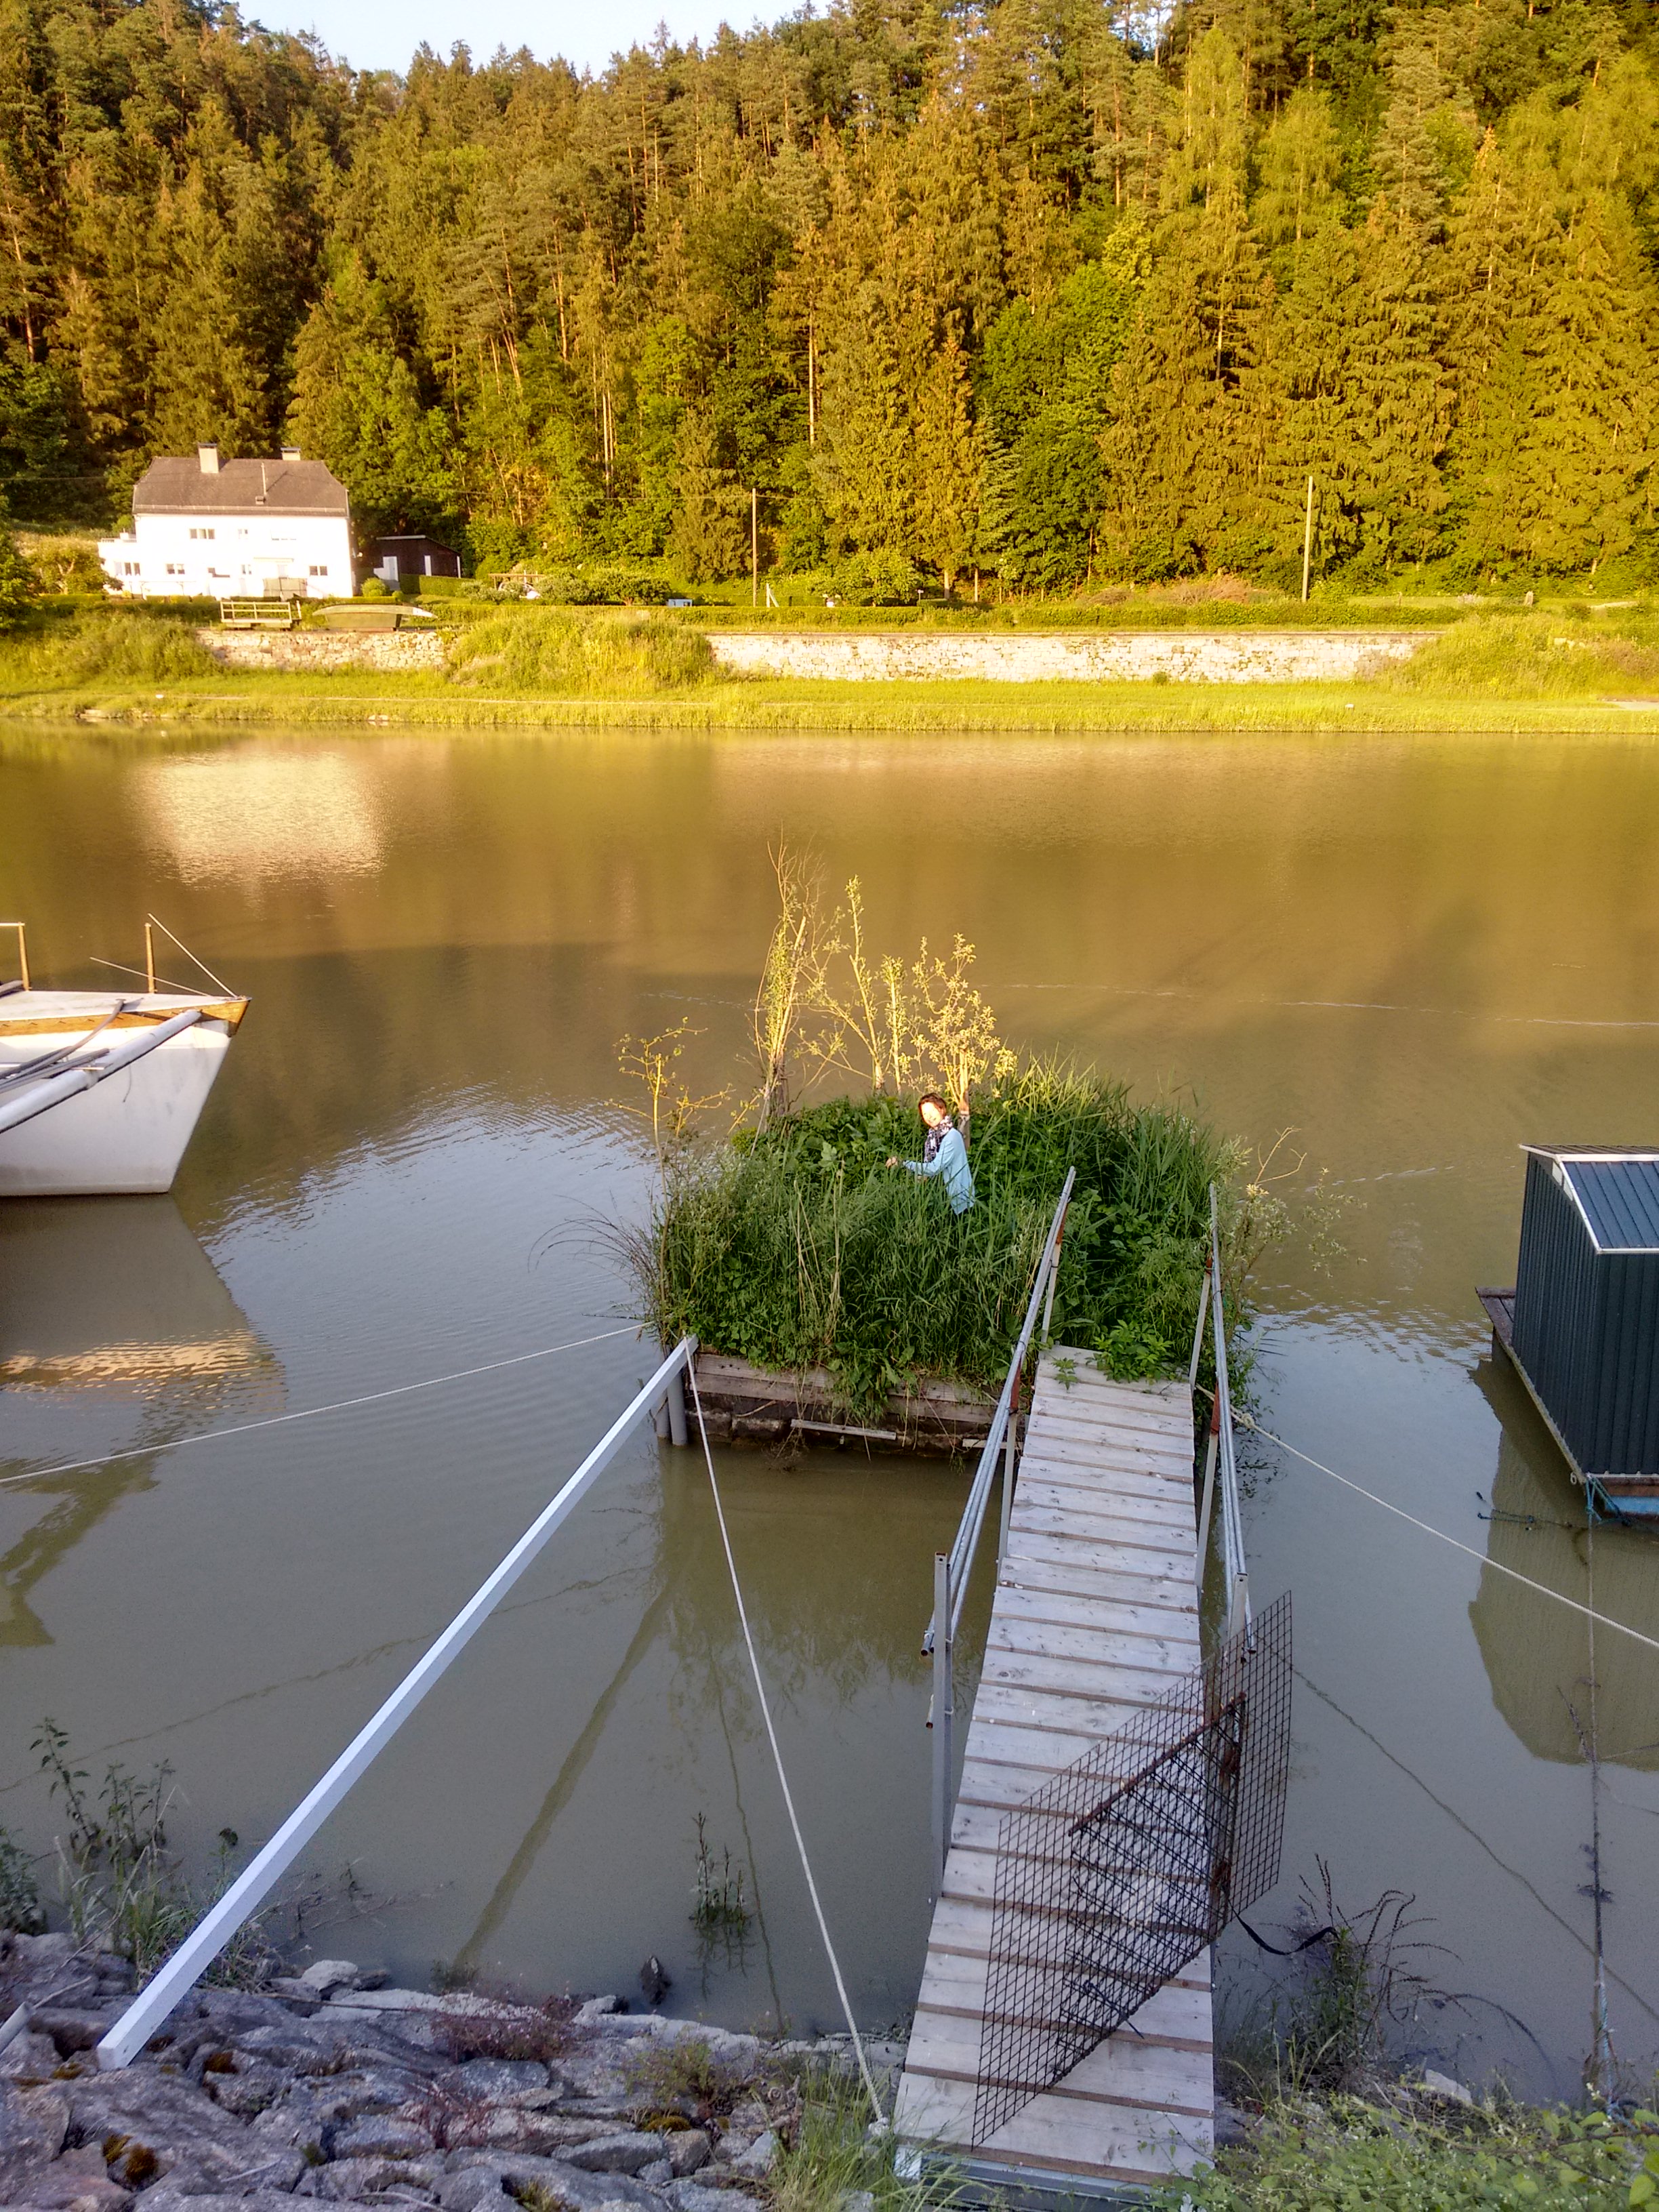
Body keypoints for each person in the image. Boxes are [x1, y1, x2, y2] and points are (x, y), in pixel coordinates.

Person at [888, 1092, 975, 1214]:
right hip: (942, 1199)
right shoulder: (932, 1136)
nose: (929, 1117)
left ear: (941, 1109)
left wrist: (903, 1163)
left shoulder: (952, 1136)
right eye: (925, 1114)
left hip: (959, 1202)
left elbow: (934, 1168)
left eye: (932, 1111)